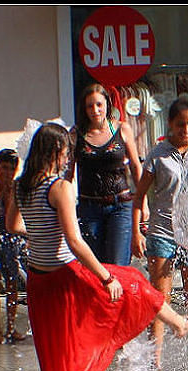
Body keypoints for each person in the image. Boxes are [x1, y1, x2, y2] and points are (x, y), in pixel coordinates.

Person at [5, 122, 188, 371]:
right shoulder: (59, 187)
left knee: (56, 345)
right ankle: (179, 324)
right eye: (66, 152)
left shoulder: (21, 185)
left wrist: (40, 234)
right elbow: (74, 241)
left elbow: (12, 224)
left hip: (38, 280)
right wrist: (105, 275)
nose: (68, 158)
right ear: (57, 151)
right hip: (65, 276)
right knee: (133, 282)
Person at [132, 96, 188, 371]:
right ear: (170, 125)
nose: (186, 130)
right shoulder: (158, 154)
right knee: (159, 302)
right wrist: (137, 231)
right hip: (162, 232)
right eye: (180, 125)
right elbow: (139, 197)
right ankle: (157, 366)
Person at [71, 83, 146, 266]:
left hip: (120, 205)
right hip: (89, 207)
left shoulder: (121, 129)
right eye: (90, 106)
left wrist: (143, 203)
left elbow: (136, 167)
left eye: (99, 104)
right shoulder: (76, 133)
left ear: (107, 105)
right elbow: (68, 173)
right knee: (94, 267)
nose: (95, 110)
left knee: (117, 265)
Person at [0, 148, 30, 344]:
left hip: (10, 238)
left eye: (12, 168)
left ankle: (11, 328)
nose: (8, 172)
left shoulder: (15, 188)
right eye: (4, 168)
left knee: (12, 283)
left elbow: (16, 216)